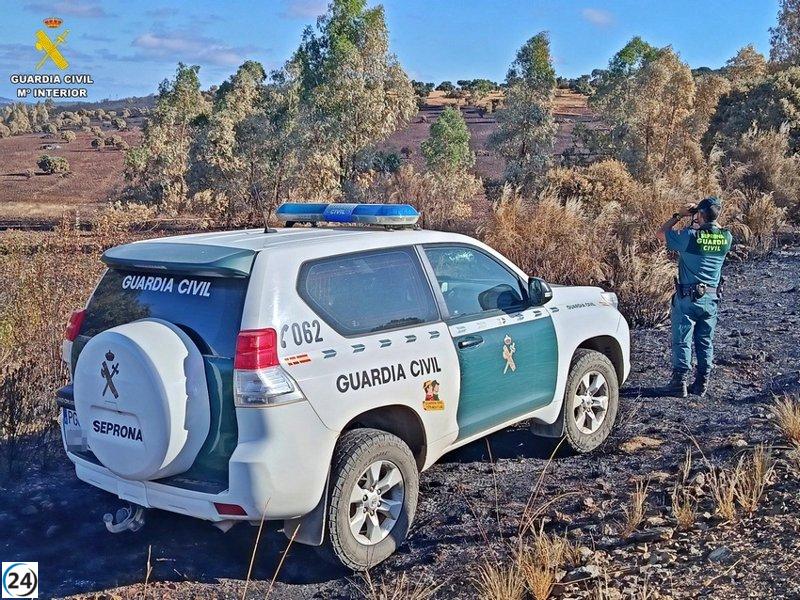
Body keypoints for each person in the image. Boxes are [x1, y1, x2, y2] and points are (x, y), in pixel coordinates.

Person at [656, 196, 732, 397]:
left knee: (683, 338)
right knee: (705, 340)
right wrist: (705, 216)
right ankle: (701, 383)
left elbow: (661, 234)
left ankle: (679, 382)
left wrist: (679, 215)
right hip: (711, 298)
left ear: (700, 215)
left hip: (688, 298)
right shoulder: (727, 238)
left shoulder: (690, 237)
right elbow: (716, 226)